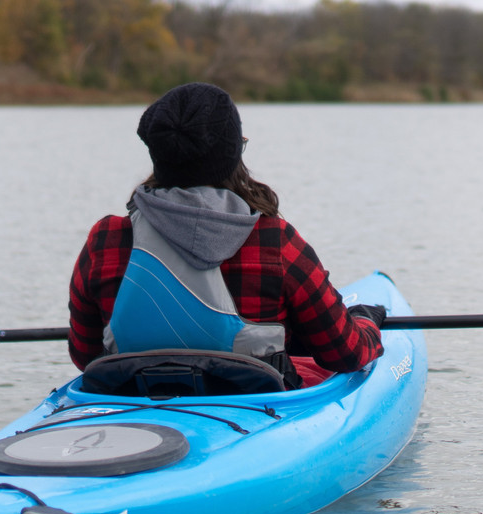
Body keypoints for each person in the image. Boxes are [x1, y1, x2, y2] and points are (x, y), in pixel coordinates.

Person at [68, 82, 384, 389]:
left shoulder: (105, 240)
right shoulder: (275, 242)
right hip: (254, 410)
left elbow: (85, 355)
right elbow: (347, 353)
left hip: (136, 404)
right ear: (232, 155)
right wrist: (366, 321)